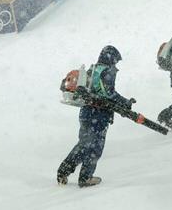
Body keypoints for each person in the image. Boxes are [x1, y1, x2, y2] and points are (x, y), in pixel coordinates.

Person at [57, 45, 135, 188]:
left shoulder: (93, 69)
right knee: (95, 148)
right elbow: (109, 93)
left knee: (83, 145)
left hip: (86, 112)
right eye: (116, 60)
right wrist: (125, 102)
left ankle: (63, 171)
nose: (116, 64)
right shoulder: (107, 71)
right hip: (99, 115)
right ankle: (86, 178)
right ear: (111, 58)